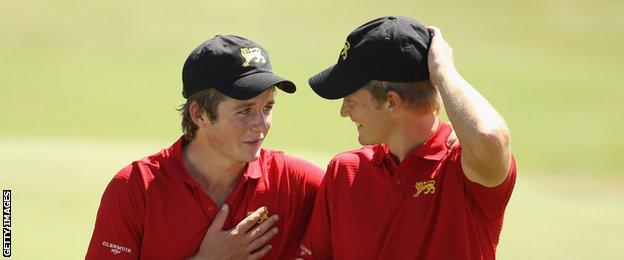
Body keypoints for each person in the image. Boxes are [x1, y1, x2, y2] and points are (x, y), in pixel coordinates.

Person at [297, 16, 517, 259]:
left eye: (350, 100)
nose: (343, 111)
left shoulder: (462, 170)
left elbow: (489, 136)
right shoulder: (345, 172)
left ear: (391, 101)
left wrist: (443, 71)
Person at [86, 35, 324, 259]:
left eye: (268, 108)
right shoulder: (135, 188)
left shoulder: (299, 183)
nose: (261, 124)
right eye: (245, 111)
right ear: (199, 114)